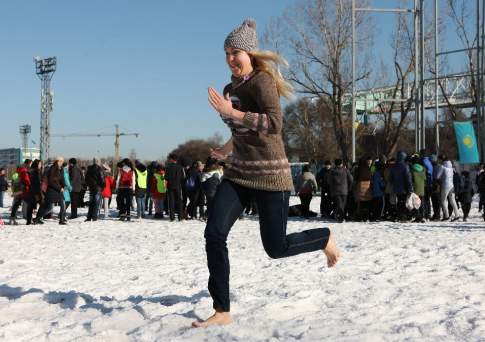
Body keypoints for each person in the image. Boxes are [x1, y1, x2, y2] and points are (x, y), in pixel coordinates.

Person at [192, 18, 340, 328]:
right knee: (214, 234)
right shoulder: (229, 89)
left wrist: (233, 113)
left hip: (271, 176)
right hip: (238, 174)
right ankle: (222, 310)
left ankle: (324, 238)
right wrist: (225, 150)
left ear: (249, 54)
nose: (231, 59)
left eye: (236, 53)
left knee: (276, 248)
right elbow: (242, 131)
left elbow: (274, 124)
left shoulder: (262, 82)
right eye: (226, 54)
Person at [35, 157, 66, 225]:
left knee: (63, 204)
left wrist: (63, 186)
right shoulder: (52, 169)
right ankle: (37, 218)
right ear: (57, 161)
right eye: (61, 161)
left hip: (58, 191)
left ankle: (62, 220)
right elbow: (51, 182)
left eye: (62, 162)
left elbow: (61, 180)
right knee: (48, 207)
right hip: (52, 191)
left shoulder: (60, 169)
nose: (62, 163)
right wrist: (59, 188)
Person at [9, 159, 32, 225]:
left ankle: (12, 218)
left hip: (19, 189)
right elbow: (26, 180)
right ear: (28, 163)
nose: (30, 165)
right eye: (30, 163)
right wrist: (30, 184)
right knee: (23, 203)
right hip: (22, 189)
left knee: (17, 203)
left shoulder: (20, 169)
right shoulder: (24, 170)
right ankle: (26, 218)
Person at [165, 154, 185, 221]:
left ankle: (172, 217)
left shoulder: (168, 167)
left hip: (170, 186)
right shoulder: (180, 167)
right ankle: (180, 217)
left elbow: (166, 178)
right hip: (178, 186)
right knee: (179, 201)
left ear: (172, 159)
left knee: (171, 202)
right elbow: (183, 177)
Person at [26, 160, 43, 225]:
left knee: (31, 206)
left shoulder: (37, 171)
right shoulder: (33, 171)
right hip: (35, 191)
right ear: (36, 164)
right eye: (39, 164)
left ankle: (30, 220)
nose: (40, 165)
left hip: (34, 191)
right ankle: (36, 219)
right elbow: (34, 182)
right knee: (42, 204)